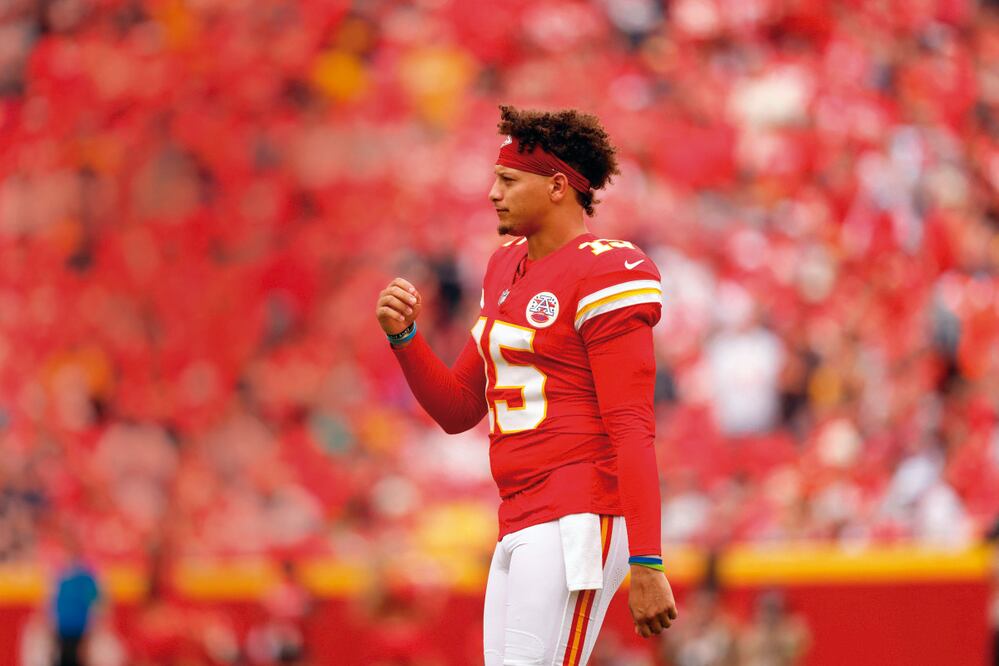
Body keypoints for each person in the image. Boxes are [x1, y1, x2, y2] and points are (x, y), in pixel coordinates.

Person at [375, 105, 678, 665]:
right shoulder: (505, 267)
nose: (493, 192)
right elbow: (460, 407)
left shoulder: (607, 270)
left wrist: (648, 560)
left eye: (509, 180)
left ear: (558, 186)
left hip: (578, 511)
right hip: (518, 511)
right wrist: (406, 338)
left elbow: (632, 424)